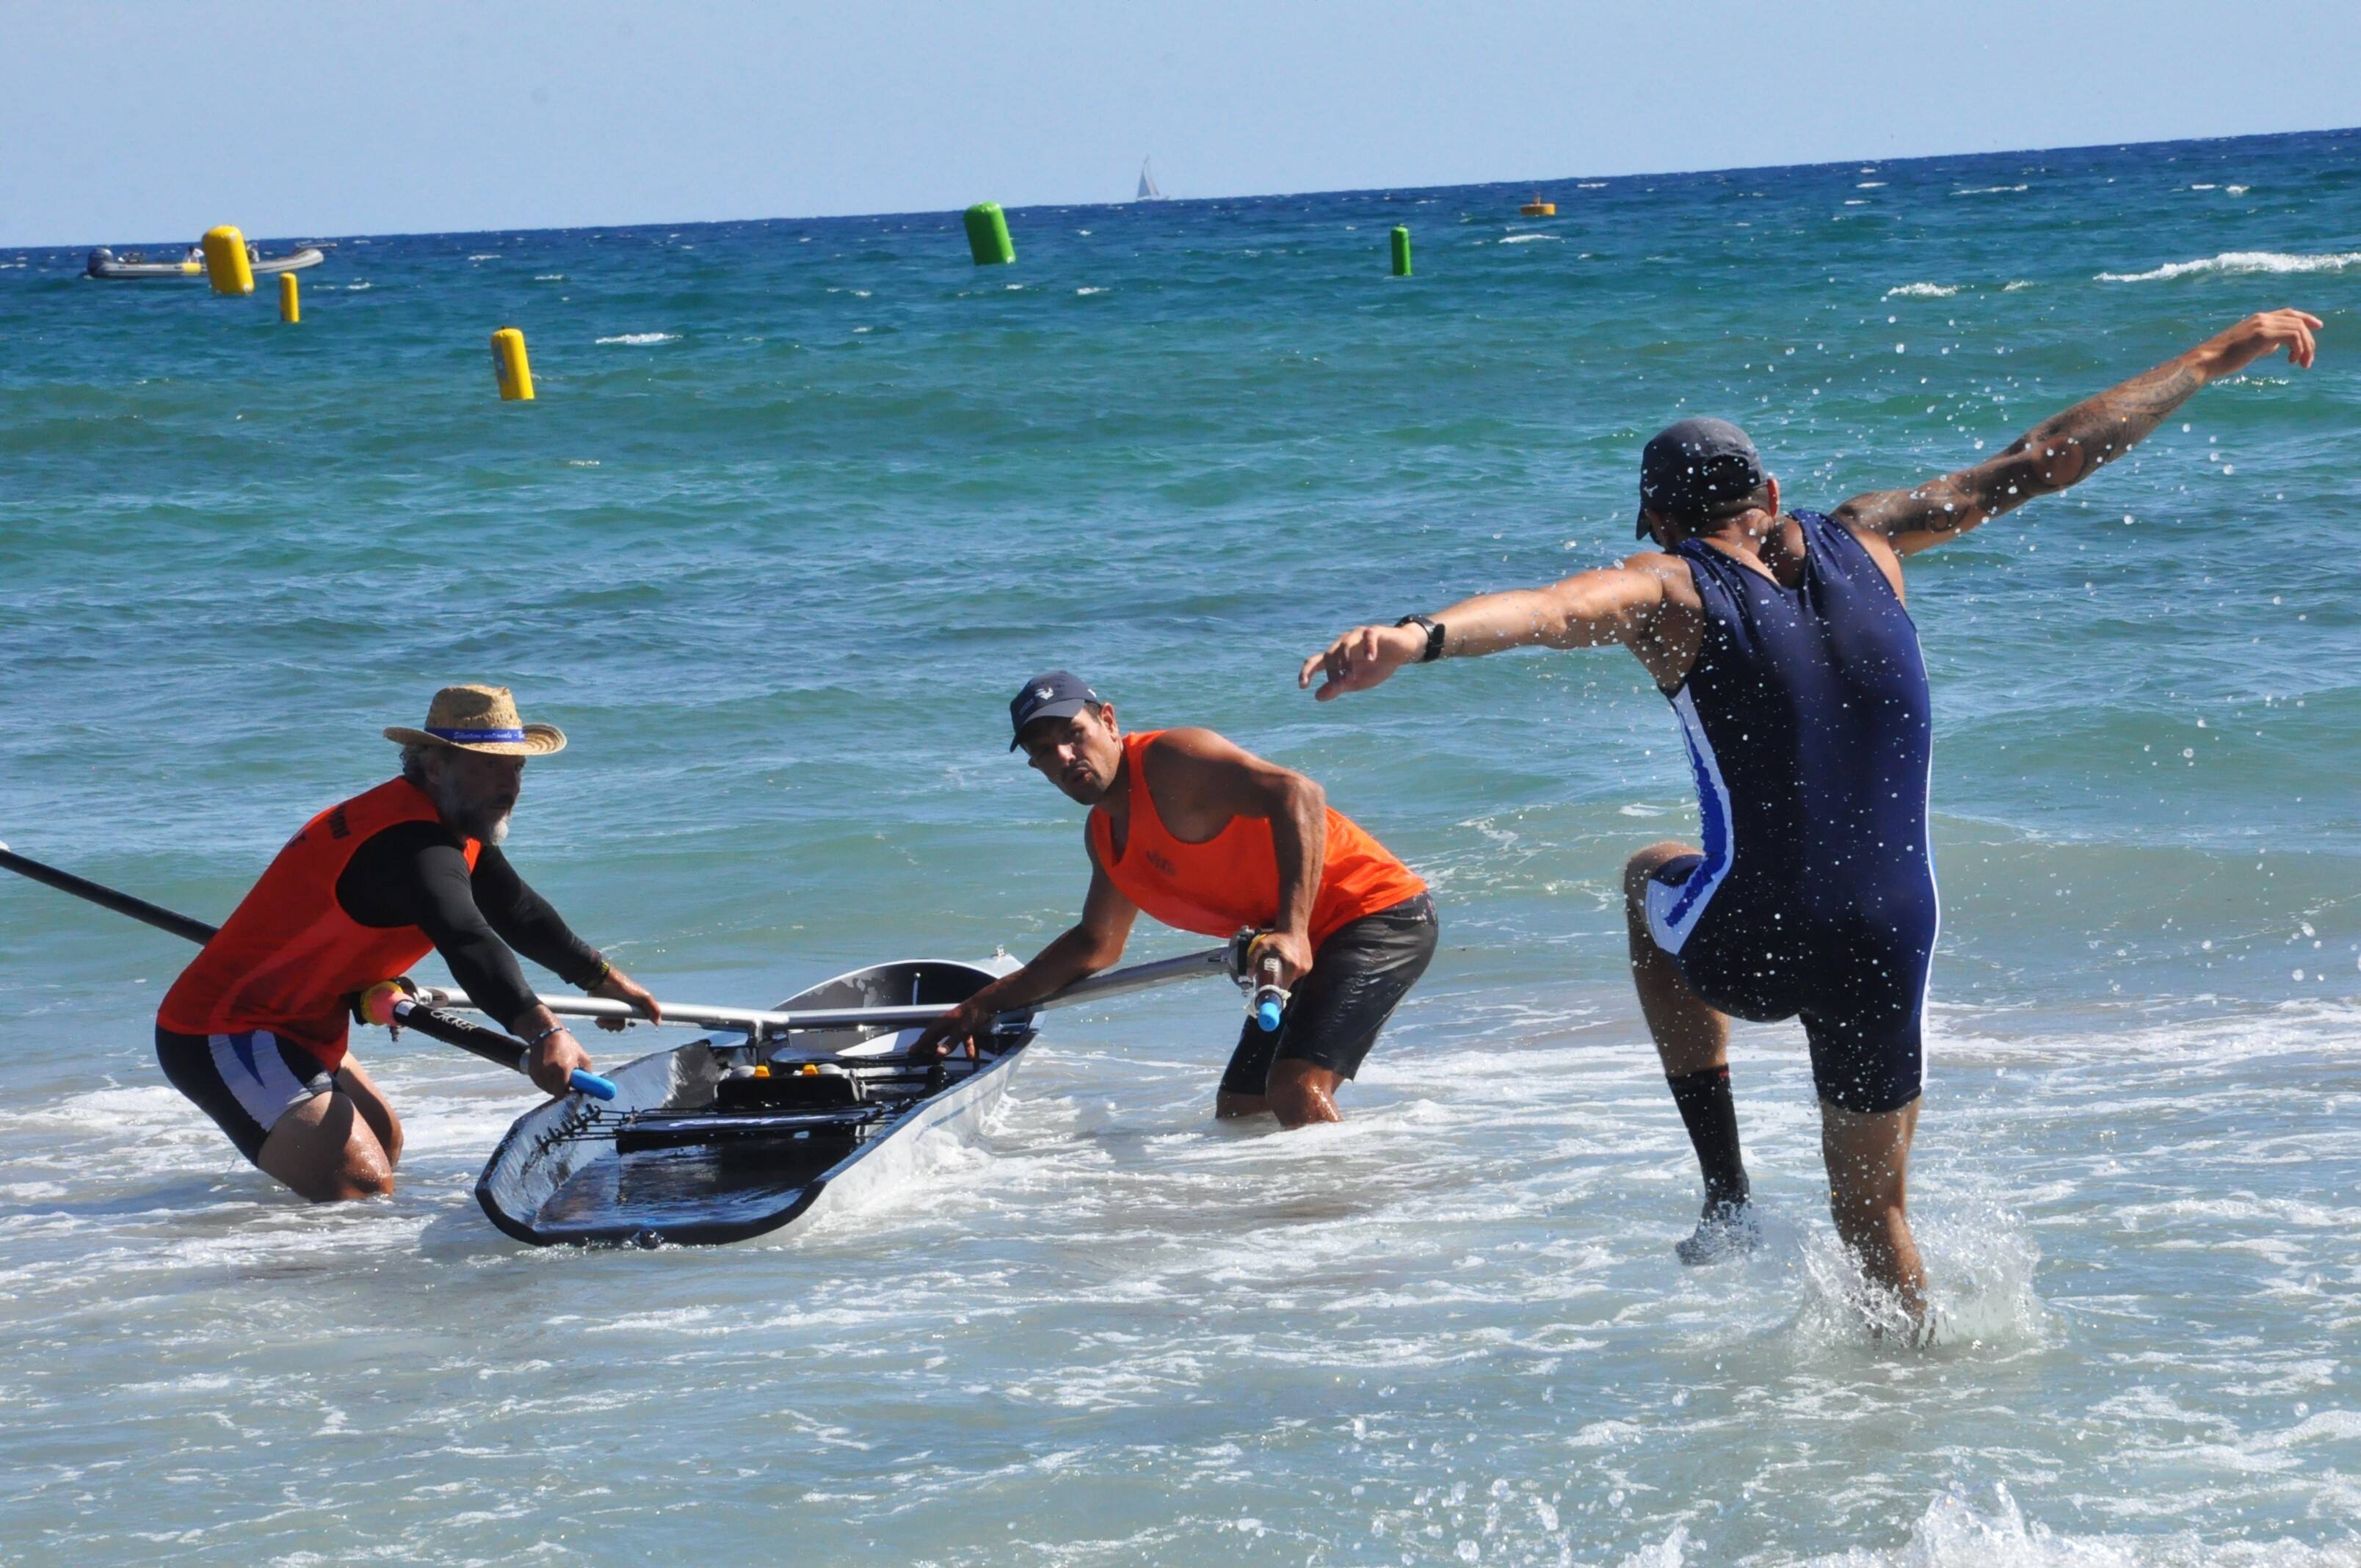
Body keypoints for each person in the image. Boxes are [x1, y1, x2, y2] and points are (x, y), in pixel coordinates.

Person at [1299, 309, 2321, 1313]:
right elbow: (2049, 456)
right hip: (1894, 939)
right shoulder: (1875, 537)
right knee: (1874, 1220)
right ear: (1772, 494)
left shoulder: (1669, 588)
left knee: (1647, 875)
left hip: (1760, 936)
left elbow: (1554, 610)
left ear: (1659, 525)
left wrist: (1415, 637)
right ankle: (1922, 1405)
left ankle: (1726, 1192)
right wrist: (2210, 358)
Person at [154, 685, 661, 1202]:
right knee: (360, 1182)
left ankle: (292, 1238)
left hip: (304, 1019)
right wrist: (544, 1031)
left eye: (517, 767)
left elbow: (518, 911)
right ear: (436, 766)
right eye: (490, 766)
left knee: (384, 1143)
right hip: (227, 1029)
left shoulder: (446, 825)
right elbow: (466, 937)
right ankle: (292, 1274)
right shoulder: (409, 844)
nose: (510, 784)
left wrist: (604, 979)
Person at [911, 672, 1437, 1126]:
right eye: (1045, 752)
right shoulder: (1105, 836)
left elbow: (1297, 793)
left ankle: (1346, 1219)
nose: (1067, 756)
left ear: (1109, 721)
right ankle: (1278, 1222)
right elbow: (1096, 945)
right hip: (1299, 945)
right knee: (1241, 1106)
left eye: (1075, 734)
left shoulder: (1169, 761)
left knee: (1295, 1089)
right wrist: (980, 1007)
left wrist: (1293, 930)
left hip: (1377, 913)